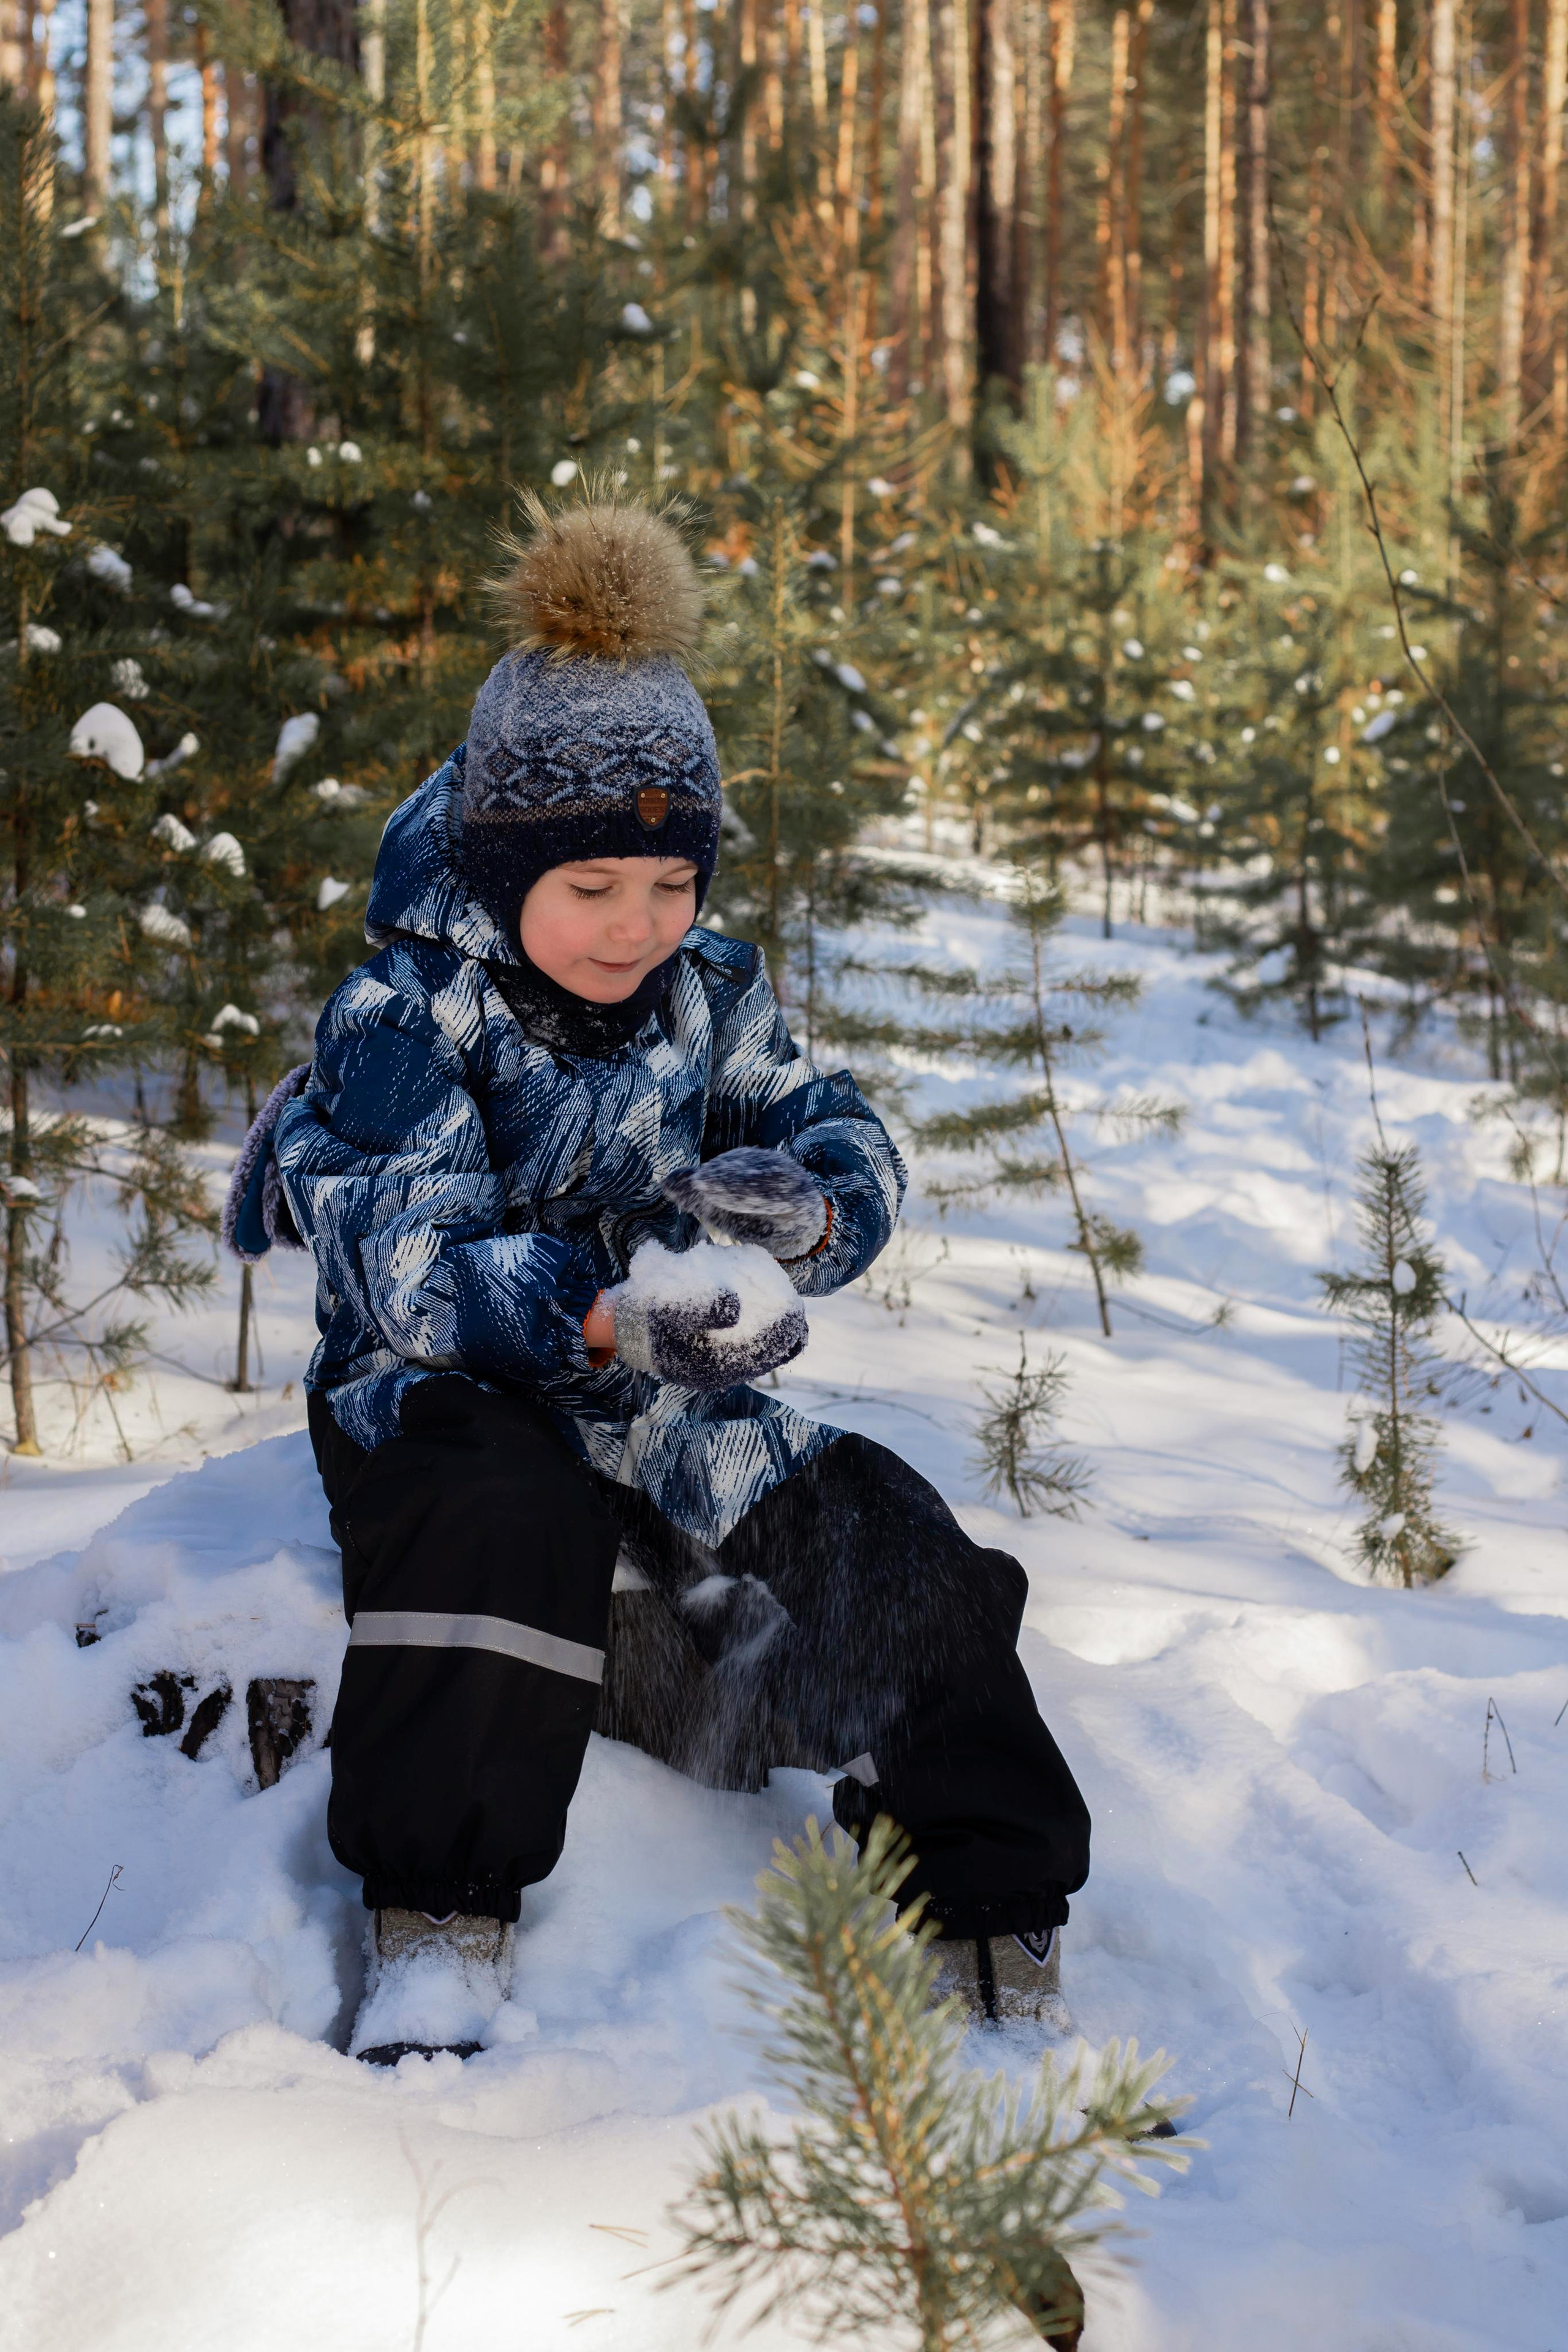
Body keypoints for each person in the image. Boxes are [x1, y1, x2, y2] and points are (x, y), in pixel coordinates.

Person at [238, 495, 1090, 2064]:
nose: (637, 926)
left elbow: (831, 1120)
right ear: (503, 869)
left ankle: (987, 1902)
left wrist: (817, 1206)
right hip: (442, 1391)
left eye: (668, 882)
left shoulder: (709, 990)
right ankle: (440, 1914)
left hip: (663, 1390)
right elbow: (396, 1251)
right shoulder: (407, 1015)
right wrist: (592, 1313)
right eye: (588, 890)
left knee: (885, 1528)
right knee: (506, 1524)